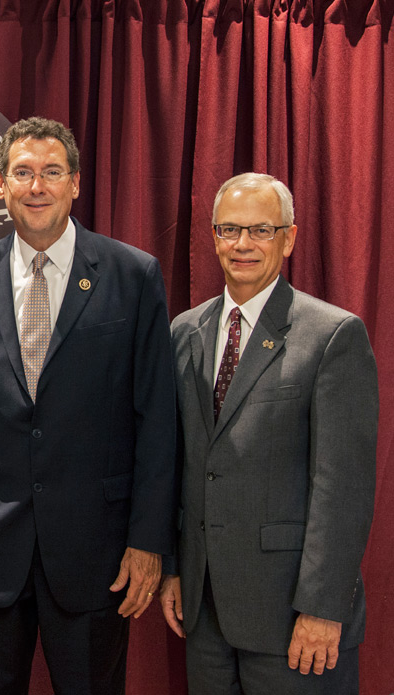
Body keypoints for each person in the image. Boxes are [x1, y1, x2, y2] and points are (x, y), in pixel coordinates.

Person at [0, 116, 177, 694]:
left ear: (74, 183)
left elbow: (157, 419)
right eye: (22, 172)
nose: (36, 185)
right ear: (0, 184)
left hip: (98, 550)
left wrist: (148, 541)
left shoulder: (132, 274)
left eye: (50, 172)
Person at [160, 173, 377, 694]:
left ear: (289, 237)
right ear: (213, 237)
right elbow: (182, 463)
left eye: (260, 229)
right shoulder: (184, 331)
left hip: (292, 615)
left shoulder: (331, 336)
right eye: (230, 230)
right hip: (204, 608)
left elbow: (342, 488)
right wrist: (174, 566)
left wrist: (323, 609)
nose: (243, 245)